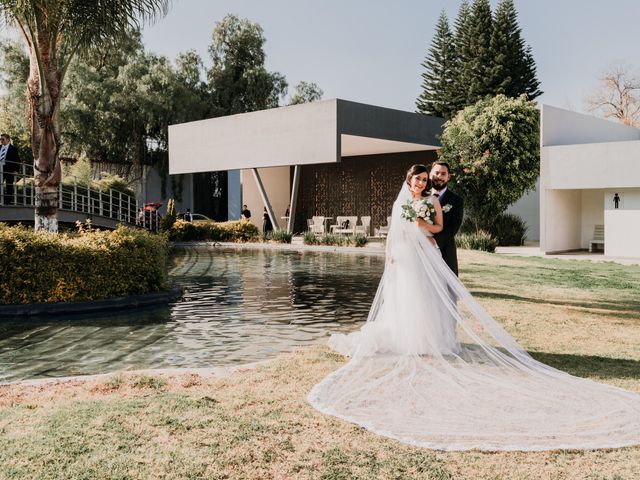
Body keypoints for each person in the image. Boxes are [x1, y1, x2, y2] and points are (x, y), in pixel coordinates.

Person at [308, 164, 640, 452]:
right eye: (421, 178)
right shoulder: (401, 204)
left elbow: (440, 229)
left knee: (429, 299)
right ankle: (404, 337)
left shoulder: (437, 202)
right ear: (411, 180)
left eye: (429, 178)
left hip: (428, 254)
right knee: (403, 299)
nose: (424, 182)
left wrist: (423, 226)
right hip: (404, 259)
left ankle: (428, 340)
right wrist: (391, 254)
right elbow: (395, 233)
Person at [430, 161, 464, 275]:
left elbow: (454, 227)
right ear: (430, 174)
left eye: (443, 174)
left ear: (448, 177)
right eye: (437, 173)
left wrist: (435, 241)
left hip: (445, 251)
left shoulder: (457, 200)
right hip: (421, 249)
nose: (439, 176)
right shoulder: (421, 197)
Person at [0, 133, 21, 205]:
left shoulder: (13, 149)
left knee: (9, 186)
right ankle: (1, 200)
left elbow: (17, 160)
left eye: (3, 139)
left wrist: (16, 170)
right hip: (0, 169)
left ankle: (7, 202)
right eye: (0, 139)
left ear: (8, 140)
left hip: (9, 170)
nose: (1, 141)